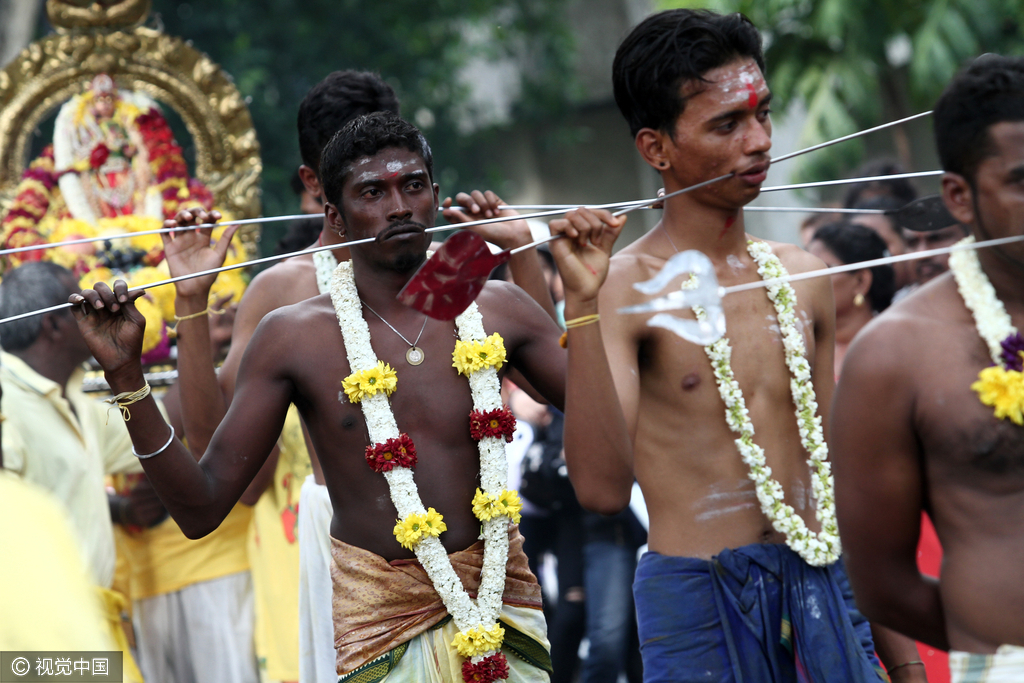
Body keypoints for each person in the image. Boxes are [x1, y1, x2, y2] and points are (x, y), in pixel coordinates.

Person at [70, 111, 568, 682]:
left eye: (412, 185)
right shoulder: (296, 334)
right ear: (335, 215)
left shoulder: (494, 306)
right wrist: (127, 377)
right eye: (372, 192)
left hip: (507, 617)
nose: (399, 206)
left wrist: (581, 292)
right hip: (381, 632)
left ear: (435, 194)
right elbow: (202, 506)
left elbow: (602, 428)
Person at [550, 9, 908, 681]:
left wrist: (905, 660)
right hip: (699, 608)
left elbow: (837, 483)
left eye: (763, 115)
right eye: (727, 124)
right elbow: (599, 489)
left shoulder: (803, 275)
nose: (759, 142)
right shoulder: (623, 289)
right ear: (656, 149)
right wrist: (583, 306)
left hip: (828, 588)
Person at [832, 55, 1024, 682]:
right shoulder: (895, 355)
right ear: (959, 196)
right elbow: (881, 581)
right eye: (1022, 179)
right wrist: (989, 638)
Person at [0, 261, 147, 682]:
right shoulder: (6, 397)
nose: (97, 307)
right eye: (82, 302)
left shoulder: (74, 398)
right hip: (33, 632)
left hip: (85, 625)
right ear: (53, 326)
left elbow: (156, 439)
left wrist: (193, 314)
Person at [806, 222, 896, 377]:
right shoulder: (801, 346)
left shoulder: (891, 347)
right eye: (803, 269)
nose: (805, 279)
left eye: (820, 269)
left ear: (861, 282)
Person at [898, 195, 970, 286]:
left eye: (936, 239)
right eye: (912, 243)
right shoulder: (899, 300)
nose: (922, 254)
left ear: (968, 237)